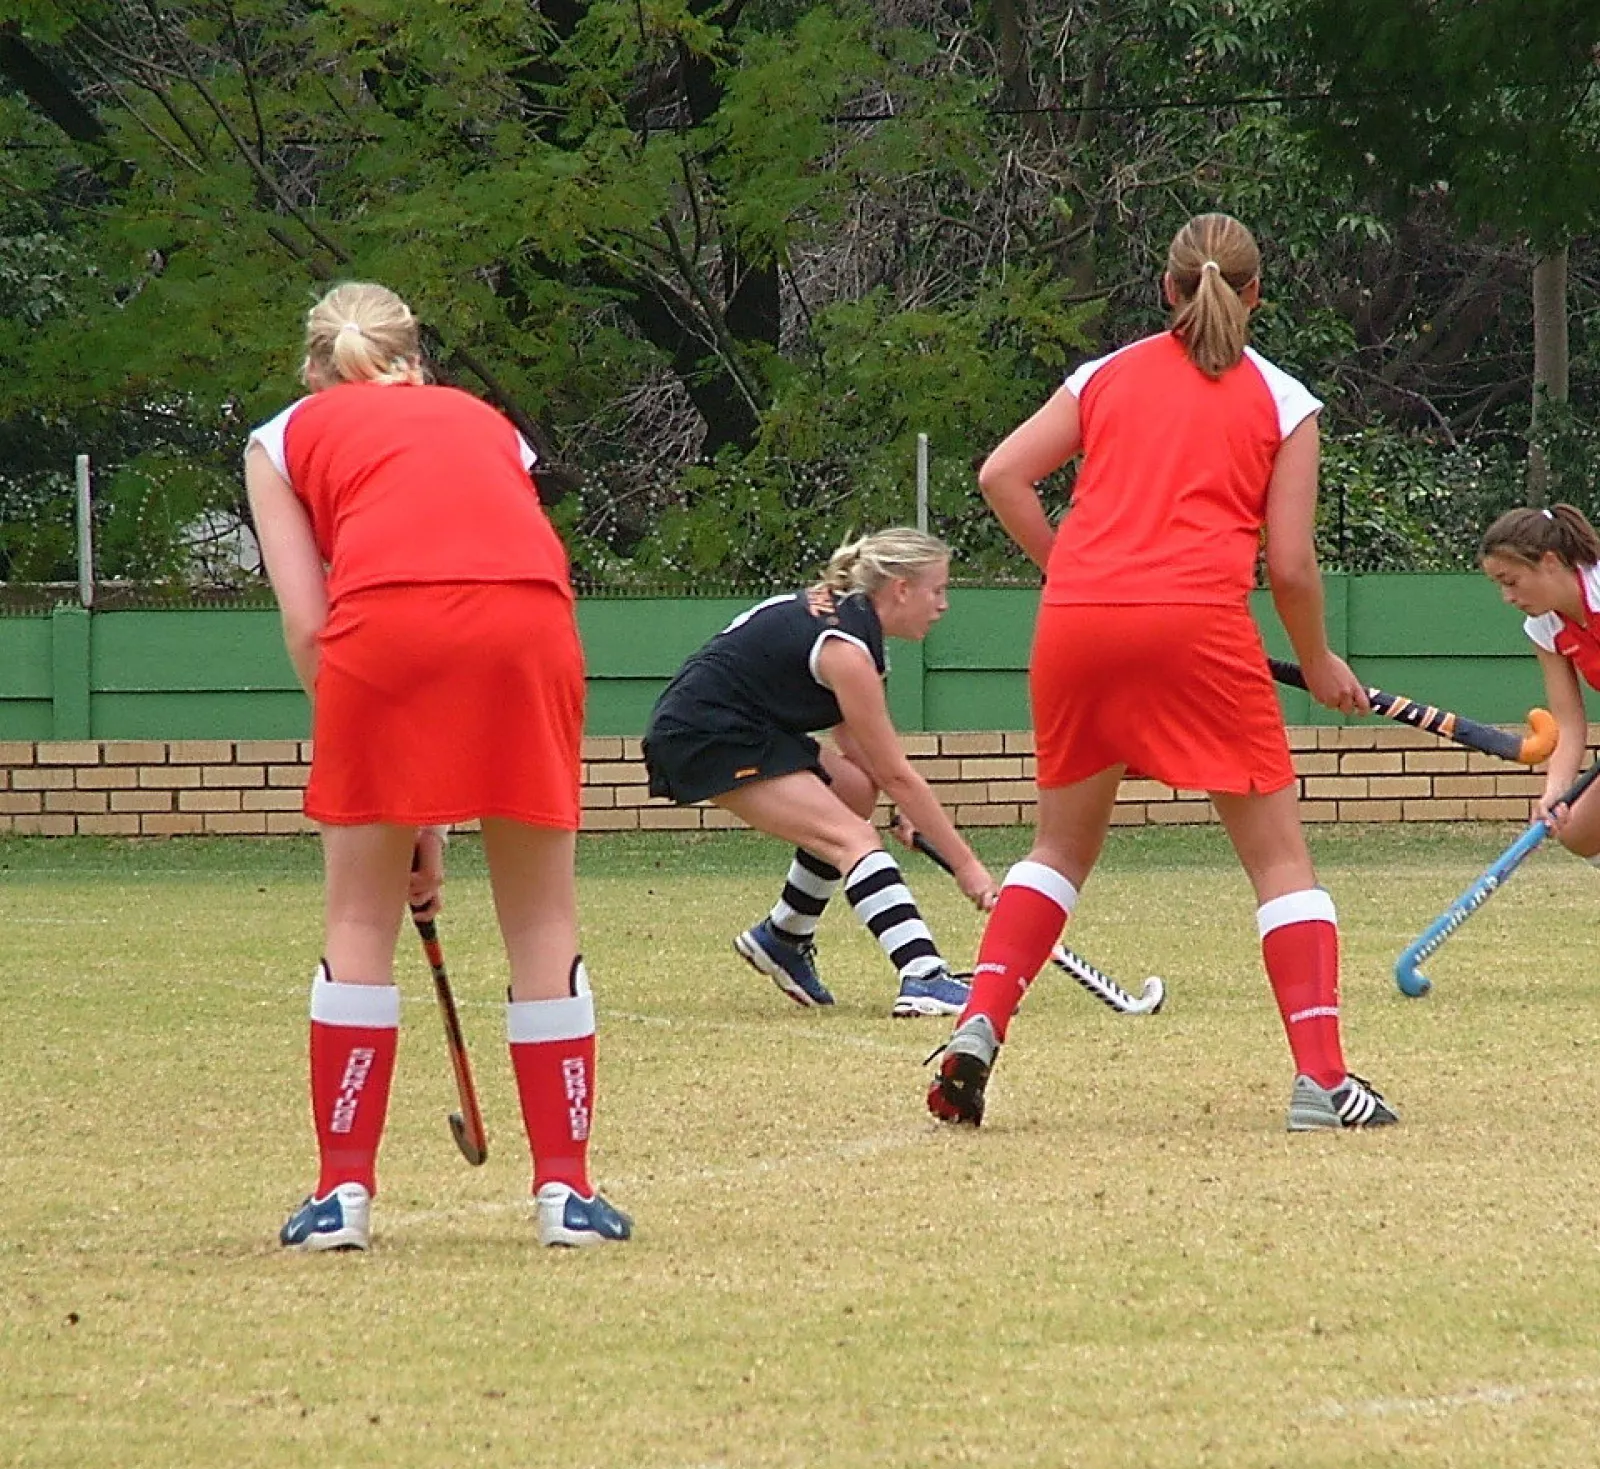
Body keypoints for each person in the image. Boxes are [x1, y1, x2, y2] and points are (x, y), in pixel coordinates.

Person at [927, 211, 1398, 1133]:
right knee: (1279, 861)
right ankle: (1324, 1082)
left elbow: (1000, 476)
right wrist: (1316, 659)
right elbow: (1293, 570)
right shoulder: (1284, 401)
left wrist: (1075, 574)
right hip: (1200, 631)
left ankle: (979, 1023)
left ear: (1167, 287)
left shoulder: (1102, 375)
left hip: (1076, 627)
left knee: (1057, 850)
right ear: (1255, 293)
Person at [244, 281, 630, 1252]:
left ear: (312, 367)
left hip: (384, 633)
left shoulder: (280, 439)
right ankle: (568, 1195)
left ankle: (340, 1197)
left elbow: (305, 620)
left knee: (357, 914)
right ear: (417, 360)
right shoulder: (490, 423)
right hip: (527, 627)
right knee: (542, 914)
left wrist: (392, 794)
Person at [643, 529, 999, 1017]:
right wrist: (968, 868)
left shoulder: (853, 625)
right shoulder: (847, 650)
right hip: (704, 737)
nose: (943, 605)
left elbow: (862, 751)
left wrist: (910, 813)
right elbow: (898, 772)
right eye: (936, 590)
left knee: (854, 789)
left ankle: (783, 938)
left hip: (747, 727)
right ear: (899, 588)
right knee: (855, 840)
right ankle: (922, 975)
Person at [1480, 503, 1600, 850]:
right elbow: (1569, 721)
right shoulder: (1545, 627)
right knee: (1578, 831)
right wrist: (1555, 789)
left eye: (1512, 582)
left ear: (1549, 562)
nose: (1507, 597)